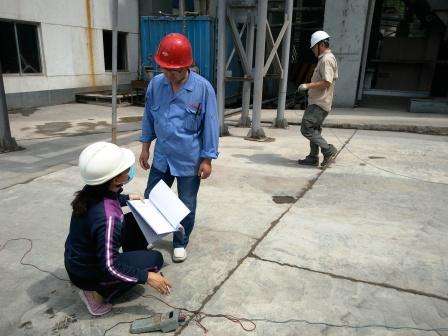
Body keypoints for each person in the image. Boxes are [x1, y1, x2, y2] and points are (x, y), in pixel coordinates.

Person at [64, 142, 171, 316]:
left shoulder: (92, 190)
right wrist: (147, 277)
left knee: (134, 220)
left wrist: (127, 198)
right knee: (155, 261)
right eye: (126, 169)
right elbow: (110, 266)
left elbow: (109, 197)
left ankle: (134, 260)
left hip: (77, 262)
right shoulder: (108, 218)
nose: (129, 170)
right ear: (114, 178)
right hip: (88, 274)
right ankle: (95, 295)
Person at [139, 33, 219, 263]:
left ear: (186, 66)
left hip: (189, 159)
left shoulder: (203, 89)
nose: (168, 75)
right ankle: (151, 234)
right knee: (151, 198)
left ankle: (180, 241)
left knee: (186, 204)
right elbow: (148, 117)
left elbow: (210, 124)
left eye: (174, 70)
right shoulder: (156, 84)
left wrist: (207, 159)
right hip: (162, 156)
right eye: (164, 69)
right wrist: (146, 147)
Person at [297, 30, 339, 168]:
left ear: (321, 45)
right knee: (314, 129)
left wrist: (307, 85)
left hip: (319, 103)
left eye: (314, 47)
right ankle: (312, 157)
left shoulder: (326, 60)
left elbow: (326, 82)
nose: (313, 50)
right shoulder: (324, 59)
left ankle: (328, 150)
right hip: (318, 102)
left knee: (306, 128)